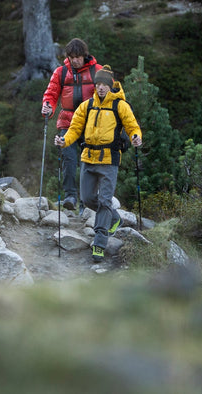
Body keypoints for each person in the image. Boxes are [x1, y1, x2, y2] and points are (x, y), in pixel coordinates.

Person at [55, 65, 143, 262]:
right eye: (98, 84)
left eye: (104, 85)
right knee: (87, 199)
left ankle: (100, 243)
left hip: (109, 160)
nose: (101, 88)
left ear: (110, 86)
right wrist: (64, 141)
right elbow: (75, 128)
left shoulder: (120, 105)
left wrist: (136, 137)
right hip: (88, 158)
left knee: (104, 201)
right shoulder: (86, 106)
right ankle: (115, 217)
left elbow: (132, 126)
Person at [41, 38, 105, 211]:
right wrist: (47, 106)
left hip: (90, 123)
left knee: (88, 163)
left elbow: (109, 93)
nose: (74, 61)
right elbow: (51, 93)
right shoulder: (61, 72)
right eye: (71, 57)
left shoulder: (97, 71)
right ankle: (70, 196)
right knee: (68, 160)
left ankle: (86, 201)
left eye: (77, 57)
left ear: (84, 55)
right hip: (67, 122)